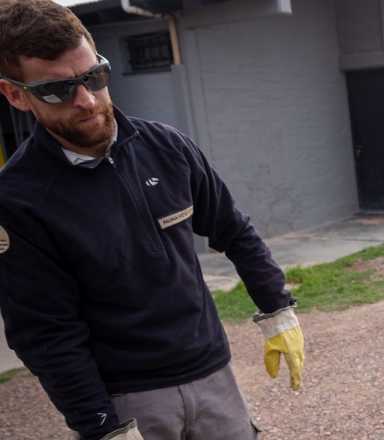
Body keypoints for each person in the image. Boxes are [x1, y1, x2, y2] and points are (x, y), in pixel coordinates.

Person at [0, 1, 305, 438]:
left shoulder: (168, 147)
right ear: (15, 94)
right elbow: (46, 334)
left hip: (214, 374)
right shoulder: (18, 200)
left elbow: (233, 229)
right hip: (129, 399)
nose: (86, 100)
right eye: (57, 90)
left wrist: (277, 309)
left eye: (94, 77)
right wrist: (102, 427)